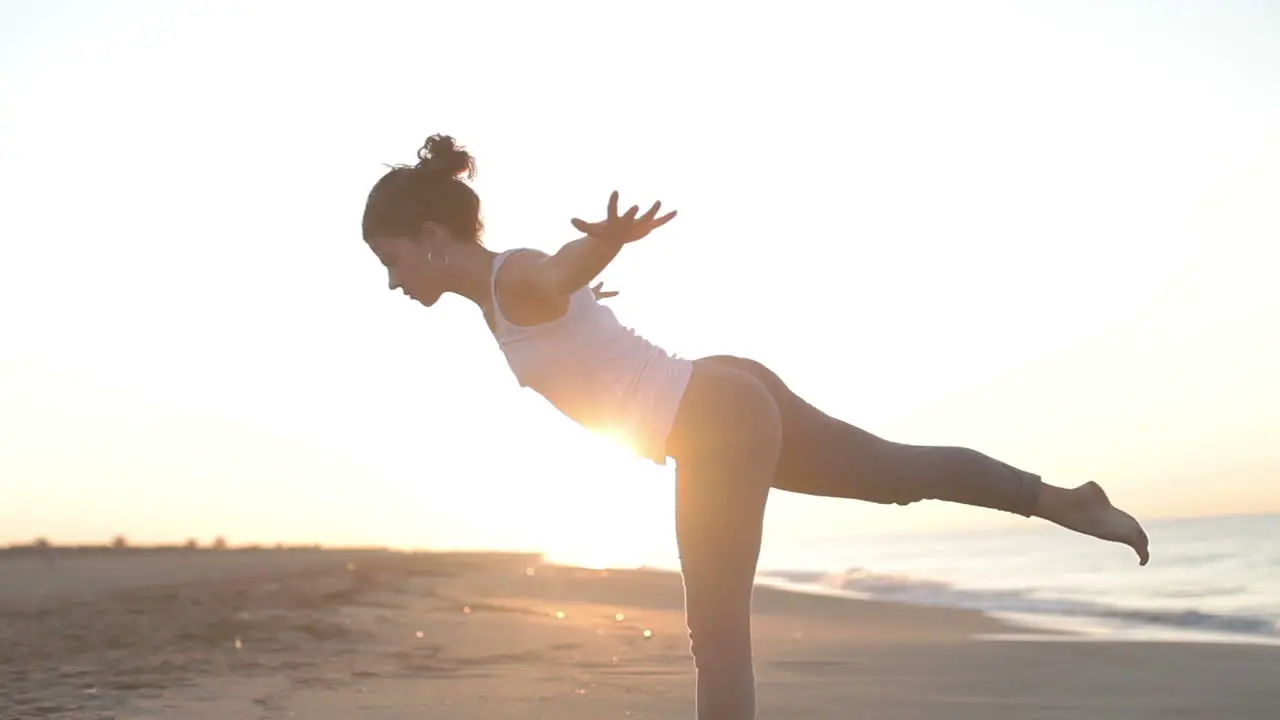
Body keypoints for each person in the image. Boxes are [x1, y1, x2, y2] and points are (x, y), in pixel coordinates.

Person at [360, 134, 1150, 720]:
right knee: (898, 475)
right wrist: (593, 291)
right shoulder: (503, 297)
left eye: (391, 258)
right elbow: (569, 302)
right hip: (724, 392)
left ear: (431, 238)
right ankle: (1063, 502)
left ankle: (1061, 503)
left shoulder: (512, 279)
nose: (391, 281)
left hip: (714, 422)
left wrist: (598, 247)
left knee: (717, 631)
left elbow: (556, 270)